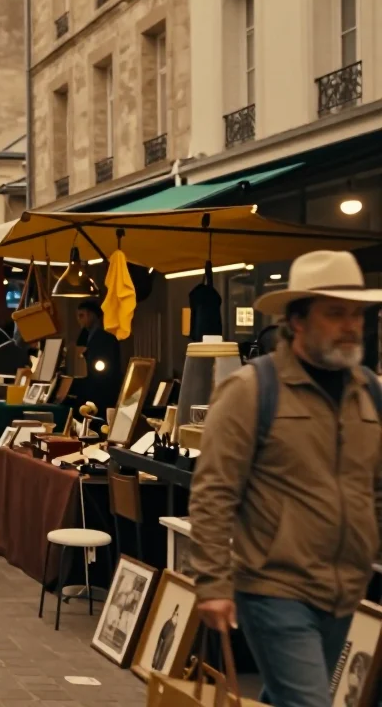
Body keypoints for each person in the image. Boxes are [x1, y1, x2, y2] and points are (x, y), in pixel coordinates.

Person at [190, 250, 382, 707]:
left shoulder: (369, 392)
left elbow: (374, 489)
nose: (350, 325)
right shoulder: (252, 389)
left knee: (287, 697)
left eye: (356, 314)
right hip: (274, 587)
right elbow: (214, 492)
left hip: (345, 588)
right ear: (296, 320)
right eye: (334, 313)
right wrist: (213, 583)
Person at [75, 300, 121, 414]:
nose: (79, 319)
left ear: (92, 315)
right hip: (86, 387)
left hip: (102, 388)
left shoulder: (108, 338)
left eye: (82, 315)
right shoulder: (83, 337)